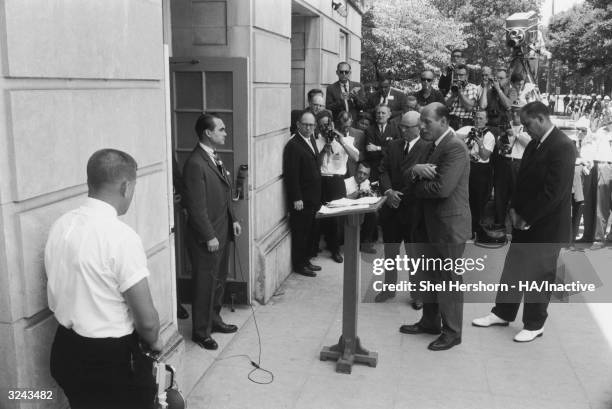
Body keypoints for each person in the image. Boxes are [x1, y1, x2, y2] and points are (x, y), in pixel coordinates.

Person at [46, 149, 160, 409]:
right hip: (111, 362)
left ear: (90, 182)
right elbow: (148, 322)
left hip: (65, 349)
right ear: (126, 186)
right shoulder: (121, 237)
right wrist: (155, 342)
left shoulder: (61, 225)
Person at [472, 101, 576, 342]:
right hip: (523, 220)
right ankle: (503, 312)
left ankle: (534, 323)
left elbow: (554, 192)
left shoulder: (562, 146)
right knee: (514, 268)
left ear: (541, 118)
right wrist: (513, 210)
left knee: (539, 276)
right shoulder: (535, 144)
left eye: (528, 124)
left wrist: (527, 217)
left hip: (546, 226)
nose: (525, 129)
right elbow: (521, 181)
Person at [399, 102, 471, 351]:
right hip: (429, 225)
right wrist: (416, 170)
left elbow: (442, 188)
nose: (422, 126)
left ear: (443, 121)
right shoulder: (430, 146)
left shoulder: (455, 148)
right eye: (421, 121)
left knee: (449, 280)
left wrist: (416, 185)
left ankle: (452, 332)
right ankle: (430, 321)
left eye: (427, 121)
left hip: (448, 227)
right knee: (429, 276)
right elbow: (407, 172)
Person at [183, 113, 242, 350]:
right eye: (221, 129)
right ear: (208, 133)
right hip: (206, 237)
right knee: (204, 284)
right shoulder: (195, 163)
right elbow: (196, 207)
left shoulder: (214, 157)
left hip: (222, 229)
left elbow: (224, 191)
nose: (225, 133)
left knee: (219, 281)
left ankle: (214, 320)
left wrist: (233, 219)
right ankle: (201, 332)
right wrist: (209, 235)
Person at [375, 111, 429, 308]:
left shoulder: (427, 148)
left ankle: (418, 294)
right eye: (402, 126)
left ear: (419, 127)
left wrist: (401, 195)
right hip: (391, 208)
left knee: (415, 253)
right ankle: (388, 288)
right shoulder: (393, 145)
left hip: (413, 209)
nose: (403, 130)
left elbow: (427, 177)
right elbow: (383, 170)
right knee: (390, 252)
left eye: (407, 127)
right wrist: (388, 191)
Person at [315, 110, 360, 263]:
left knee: (336, 218)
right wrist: (324, 149)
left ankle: (335, 249)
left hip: (337, 181)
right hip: (321, 180)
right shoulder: (317, 140)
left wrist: (340, 141)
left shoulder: (344, 139)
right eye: (321, 126)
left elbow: (355, 157)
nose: (325, 128)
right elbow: (315, 164)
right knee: (319, 214)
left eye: (327, 124)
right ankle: (316, 246)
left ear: (333, 124)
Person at [283, 110, 323, 277]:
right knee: (300, 233)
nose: (308, 127)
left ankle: (306, 260)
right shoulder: (293, 145)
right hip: (302, 199)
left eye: (311, 125)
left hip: (313, 196)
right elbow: (291, 175)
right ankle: (300, 265)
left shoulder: (311, 140)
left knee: (310, 231)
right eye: (305, 124)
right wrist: (297, 198)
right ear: (298, 125)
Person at [457, 110, 495, 242]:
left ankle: (474, 230)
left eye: (480, 118)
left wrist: (480, 143)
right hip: (467, 167)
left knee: (477, 202)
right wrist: (466, 137)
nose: (477, 120)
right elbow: (453, 137)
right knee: (465, 199)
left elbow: (485, 156)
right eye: (476, 118)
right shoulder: (468, 129)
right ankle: (465, 229)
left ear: (486, 121)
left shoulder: (489, 135)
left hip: (480, 170)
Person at [493, 101, 531, 231]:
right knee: (500, 194)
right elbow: (497, 143)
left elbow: (529, 145)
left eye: (519, 112)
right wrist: (502, 143)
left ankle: (517, 224)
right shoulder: (505, 125)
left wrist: (515, 135)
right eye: (513, 111)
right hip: (504, 161)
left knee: (518, 194)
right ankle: (499, 223)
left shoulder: (527, 128)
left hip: (518, 163)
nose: (515, 114)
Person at [345, 162, 377, 253]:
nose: (361, 176)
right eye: (360, 172)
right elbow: (339, 201)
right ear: (355, 171)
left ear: (368, 176)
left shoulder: (367, 182)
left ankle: (365, 244)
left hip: (362, 211)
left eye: (365, 174)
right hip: (348, 212)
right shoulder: (346, 182)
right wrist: (353, 195)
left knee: (373, 215)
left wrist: (370, 195)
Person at [364, 104, 400, 181]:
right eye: (378, 113)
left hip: (390, 168)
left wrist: (377, 148)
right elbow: (370, 152)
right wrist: (387, 149)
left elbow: (396, 150)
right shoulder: (369, 130)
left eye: (383, 113)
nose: (380, 115)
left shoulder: (395, 129)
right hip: (374, 168)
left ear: (389, 115)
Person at [590, 122, 612, 250]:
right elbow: (593, 149)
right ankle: (599, 237)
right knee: (602, 204)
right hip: (605, 166)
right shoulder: (601, 132)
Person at [445, 64, 479, 130]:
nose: (458, 77)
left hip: (464, 122)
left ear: (467, 76)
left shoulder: (472, 87)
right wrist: (453, 95)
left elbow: (469, 107)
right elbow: (445, 104)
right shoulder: (453, 87)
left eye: (461, 75)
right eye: (457, 75)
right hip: (451, 120)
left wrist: (460, 92)